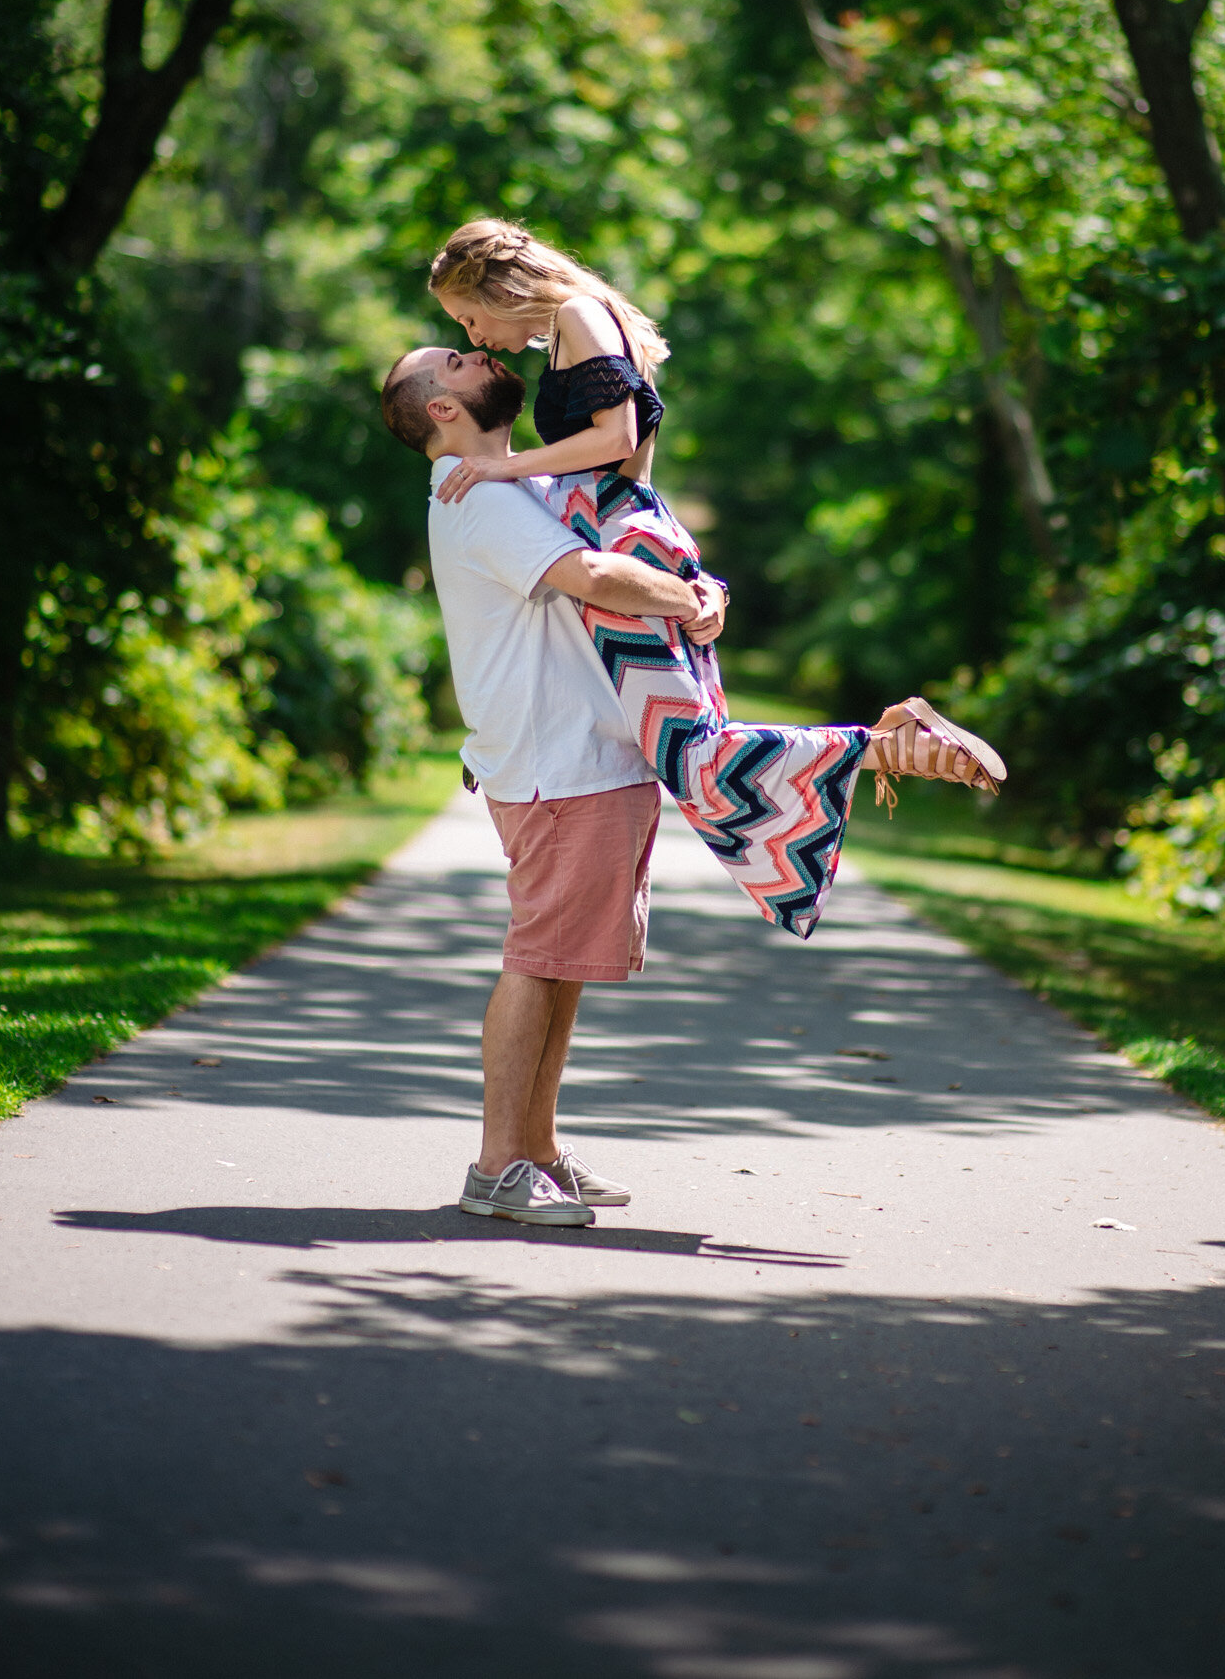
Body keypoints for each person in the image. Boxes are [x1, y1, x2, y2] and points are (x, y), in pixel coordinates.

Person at [426, 217, 1003, 941]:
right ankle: (883, 745)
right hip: (626, 531)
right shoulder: (580, 322)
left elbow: (618, 438)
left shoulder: (576, 316)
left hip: (621, 533)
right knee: (693, 749)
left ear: (499, 288)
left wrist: (502, 466)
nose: (477, 338)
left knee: (693, 756)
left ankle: (885, 742)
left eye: (468, 318)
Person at [382, 342, 728, 1226]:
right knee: (540, 961)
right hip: (557, 766)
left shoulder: (514, 481)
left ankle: (536, 1150)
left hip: (575, 760)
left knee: (562, 964)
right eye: (454, 362)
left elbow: (622, 535)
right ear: (442, 411)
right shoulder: (479, 492)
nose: (479, 353)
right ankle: (497, 1166)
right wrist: (689, 600)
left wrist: (699, 583)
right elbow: (598, 576)